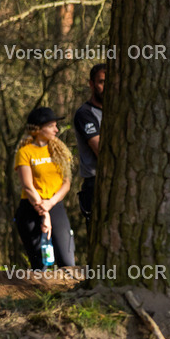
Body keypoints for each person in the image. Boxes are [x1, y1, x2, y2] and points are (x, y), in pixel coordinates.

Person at [14, 106, 74, 269]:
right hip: (31, 208)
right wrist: (44, 212)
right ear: (39, 129)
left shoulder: (59, 151)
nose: (56, 129)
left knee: (67, 261)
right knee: (40, 265)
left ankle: (68, 294)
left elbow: (66, 183)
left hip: (55, 206)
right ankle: (40, 294)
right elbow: (27, 186)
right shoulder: (25, 152)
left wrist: (51, 203)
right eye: (51, 126)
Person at [73, 63, 105, 228]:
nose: (105, 87)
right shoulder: (85, 114)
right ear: (91, 84)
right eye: (101, 82)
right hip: (95, 184)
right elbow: (101, 150)